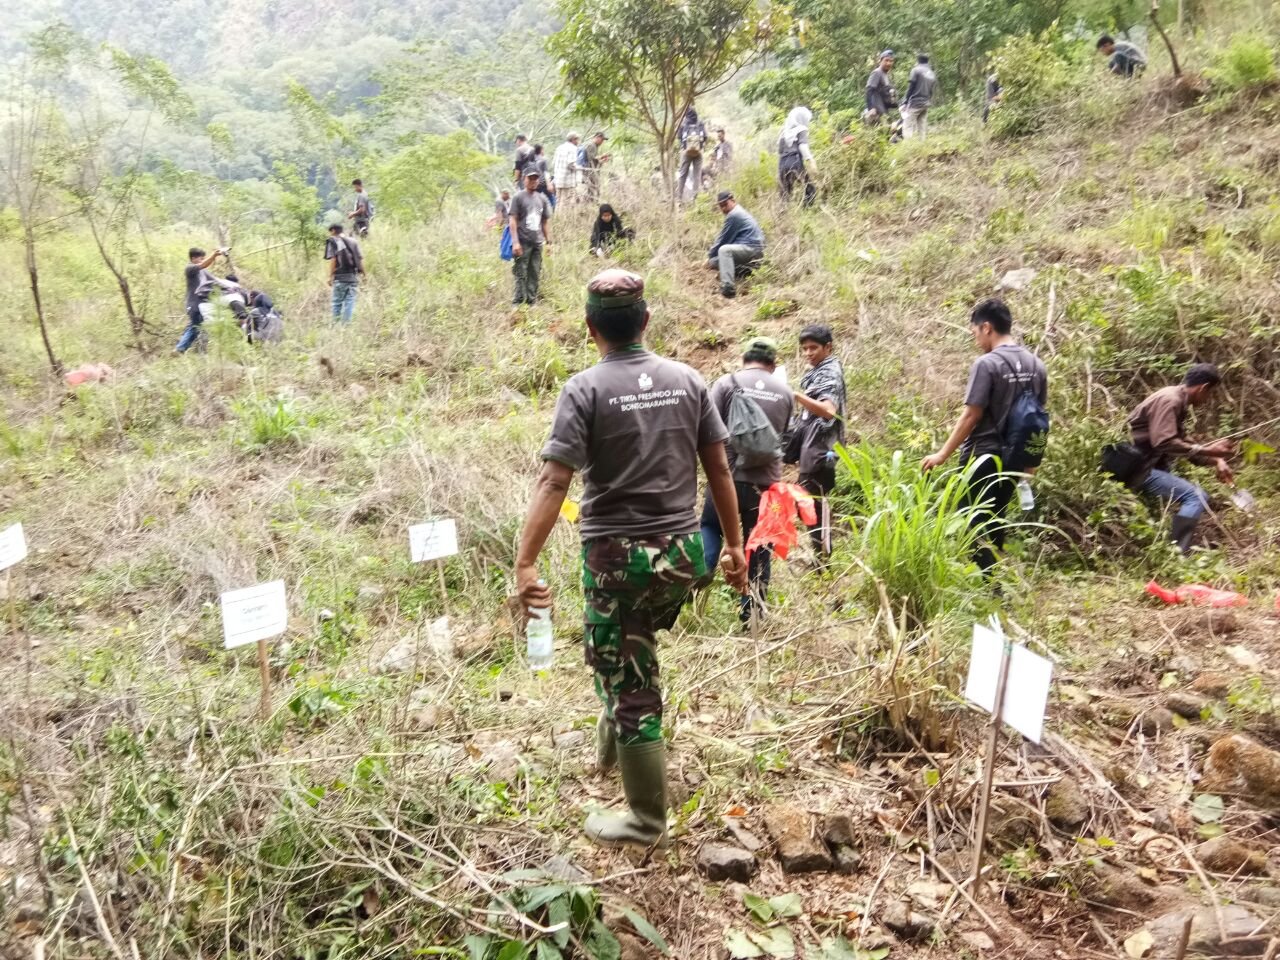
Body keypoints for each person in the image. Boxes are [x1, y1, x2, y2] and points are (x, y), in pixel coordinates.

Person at [515, 268, 748, 849]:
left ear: (590, 327)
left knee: (631, 676)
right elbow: (720, 469)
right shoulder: (689, 380)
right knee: (625, 647)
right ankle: (614, 731)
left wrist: (525, 564)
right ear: (645, 321)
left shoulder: (585, 389)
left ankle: (646, 820)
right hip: (682, 557)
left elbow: (553, 482)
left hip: (618, 560)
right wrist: (737, 545)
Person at [921, 299, 1048, 574]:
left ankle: (989, 588)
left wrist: (942, 454)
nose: (975, 338)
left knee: (970, 521)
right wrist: (1030, 464)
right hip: (1015, 458)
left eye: (975, 332)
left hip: (982, 457)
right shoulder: (1036, 364)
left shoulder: (987, 364)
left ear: (987, 327)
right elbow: (1038, 418)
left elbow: (971, 415)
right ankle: (992, 584)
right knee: (995, 519)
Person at [700, 337, 794, 623]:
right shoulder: (785, 392)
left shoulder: (726, 383)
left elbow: (707, 431)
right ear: (773, 363)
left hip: (726, 478)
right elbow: (786, 437)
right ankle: (751, 614)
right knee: (759, 546)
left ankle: (696, 580)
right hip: (766, 486)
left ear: (744, 358)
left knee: (710, 526)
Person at [1124, 365, 1234, 554]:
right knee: (1197, 497)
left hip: (1145, 464)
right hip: (1135, 466)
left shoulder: (1177, 399)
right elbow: (1165, 442)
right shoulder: (1170, 400)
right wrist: (1208, 450)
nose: (1208, 400)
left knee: (1185, 494)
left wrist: (1216, 460)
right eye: (1211, 394)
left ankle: (1165, 545)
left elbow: (1183, 444)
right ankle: (1177, 554)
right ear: (1203, 388)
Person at [788, 324, 846, 558]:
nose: (808, 353)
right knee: (810, 503)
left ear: (828, 347)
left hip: (822, 449)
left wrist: (794, 395)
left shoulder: (829, 373)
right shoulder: (819, 371)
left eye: (813, 348)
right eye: (804, 349)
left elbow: (828, 411)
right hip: (815, 447)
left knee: (811, 503)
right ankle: (822, 559)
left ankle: (824, 561)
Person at [706, 191, 764, 299]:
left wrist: (709, 256)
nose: (723, 208)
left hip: (752, 250)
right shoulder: (739, 212)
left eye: (725, 204)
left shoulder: (734, 214)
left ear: (733, 201)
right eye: (721, 206)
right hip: (752, 253)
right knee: (716, 262)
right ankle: (743, 272)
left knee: (724, 251)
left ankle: (728, 288)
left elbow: (723, 240)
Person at [509, 165, 553, 306]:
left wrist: (549, 242)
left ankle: (531, 300)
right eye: (530, 178)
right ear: (524, 179)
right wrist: (515, 242)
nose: (533, 181)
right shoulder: (518, 197)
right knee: (520, 272)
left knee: (534, 271)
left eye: (536, 178)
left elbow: (545, 222)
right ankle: (518, 302)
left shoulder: (542, 198)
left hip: (537, 242)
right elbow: (513, 220)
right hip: (522, 241)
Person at [175, 246, 228, 353]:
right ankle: (180, 349)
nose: (203, 261)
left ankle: (199, 352)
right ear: (193, 258)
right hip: (194, 304)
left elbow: (216, 281)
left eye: (203, 258)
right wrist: (214, 255)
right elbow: (203, 265)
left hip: (203, 305)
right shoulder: (190, 268)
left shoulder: (204, 272)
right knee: (195, 327)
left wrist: (231, 287)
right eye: (201, 258)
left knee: (201, 327)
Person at [324, 224, 365, 325]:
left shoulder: (333, 241)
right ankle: (346, 326)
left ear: (333, 231)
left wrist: (330, 277)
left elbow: (333, 260)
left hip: (340, 278)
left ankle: (335, 325)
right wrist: (364, 274)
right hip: (352, 278)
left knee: (337, 303)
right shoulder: (353, 241)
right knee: (350, 302)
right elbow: (359, 259)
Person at [777, 106, 818, 206]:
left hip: (782, 163)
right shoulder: (801, 129)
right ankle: (807, 213)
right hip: (794, 161)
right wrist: (811, 160)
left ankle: (781, 217)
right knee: (810, 189)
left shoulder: (783, 132)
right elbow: (803, 146)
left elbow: (780, 150)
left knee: (785, 193)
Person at [675, 107, 707, 203]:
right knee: (697, 175)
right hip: (698, 152)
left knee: (683, 174)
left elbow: (679, 137)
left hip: (686, 152)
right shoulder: (700, 123)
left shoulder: (683, 123)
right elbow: (705, 137)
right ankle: (695, 199)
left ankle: (679, 199)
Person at [902, 54, 937, 140]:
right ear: (927, 61)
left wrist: (905, 101)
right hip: (926, 103)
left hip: (915, 102)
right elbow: (931, 90)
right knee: (922, 127)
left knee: (907, 125)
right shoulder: (932, 73)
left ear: (918, 61)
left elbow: (911, 87)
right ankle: (922, 145)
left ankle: (908, 146)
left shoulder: (916, 70)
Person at [865, 50, 898, 125]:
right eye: (886, 60)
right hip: (876, 112)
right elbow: (869, 90)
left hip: (884, 112)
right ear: (880, 61)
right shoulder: (877, 72)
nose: (888, 63)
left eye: (891, 61)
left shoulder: (886, 75)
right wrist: (871, 108)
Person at [552, 132, 581, 206]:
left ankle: (558, 217)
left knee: (558, 201)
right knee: (567, 203)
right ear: (573, 139)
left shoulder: (559, 147)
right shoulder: (573, 148)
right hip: (568, 181)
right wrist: (579, 168)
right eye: (577, 139)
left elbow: (554, 162)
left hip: (558, 180)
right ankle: (565, 217)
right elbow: (570, 164)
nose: (578, 142)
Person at [583, 132, 610, 203]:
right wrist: (601, 156)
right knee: (591, 190)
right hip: (590, 172)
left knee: (594, 189)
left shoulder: (595, 146)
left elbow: (595, 161)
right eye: (602, 139)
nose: (602, 142)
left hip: (593, 171)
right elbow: (590, 159)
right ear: (597, 137)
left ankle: (593, 203)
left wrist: (602, 160)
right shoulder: (591, 145)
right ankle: (589, 204)